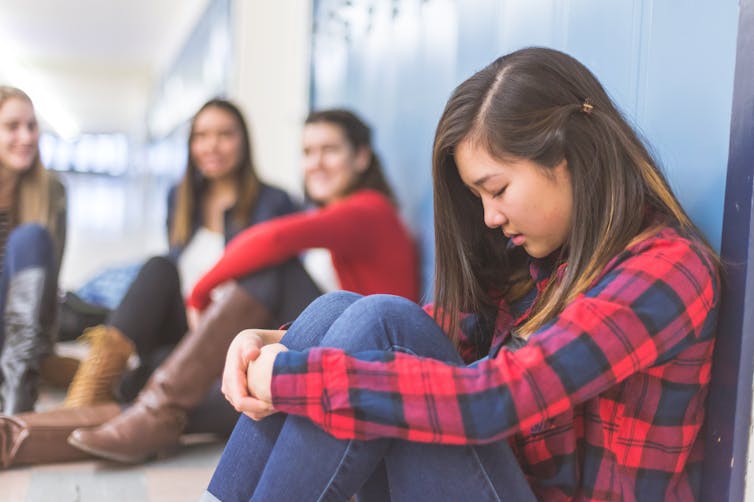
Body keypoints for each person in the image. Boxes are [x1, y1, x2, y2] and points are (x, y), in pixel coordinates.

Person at [201, 47, 721, 502]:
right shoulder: (550, 263)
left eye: (496, 190)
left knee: (378, 321)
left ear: (567, 155)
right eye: (479, 199)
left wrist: (289, 375)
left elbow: (494, 400)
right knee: (342, 311)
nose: (491, 218)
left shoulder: (666, 271)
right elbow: (433, 327)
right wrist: (273, 341)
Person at [1, 108, 419, 468]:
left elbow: (271, 241)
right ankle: (15, 440)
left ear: (361, 157)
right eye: (308, 152)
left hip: (353, 368)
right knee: (153, 391)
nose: (316, 163)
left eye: (330, 150)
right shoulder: (335, 216)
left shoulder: (369, 210)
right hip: (309, 355)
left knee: (270, 275)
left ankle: (149, 411)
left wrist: (201, 291)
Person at [0, 86, 67, 415]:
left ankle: (16, 399)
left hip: (22, 337)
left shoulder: (51, 191)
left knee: (32, 237)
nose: (26, 137)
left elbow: (48, 288)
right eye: (12, 126)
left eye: (31, 125)